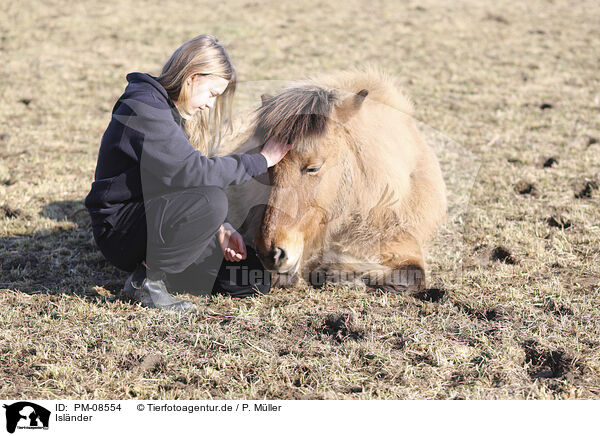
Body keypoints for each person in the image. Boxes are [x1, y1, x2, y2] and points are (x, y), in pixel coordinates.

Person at [84, 34, 291, 311]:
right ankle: (145, 281)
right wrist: (261, 160)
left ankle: (167, 271)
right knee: (212, 202)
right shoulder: (143, 106)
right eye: (212, 94)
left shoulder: (169, 112)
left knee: (248, 278)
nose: (210, 104)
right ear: (193, 76)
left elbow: (174, 179)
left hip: (158, 218)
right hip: (122, 228)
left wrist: (221, 227)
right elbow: (191, 172)